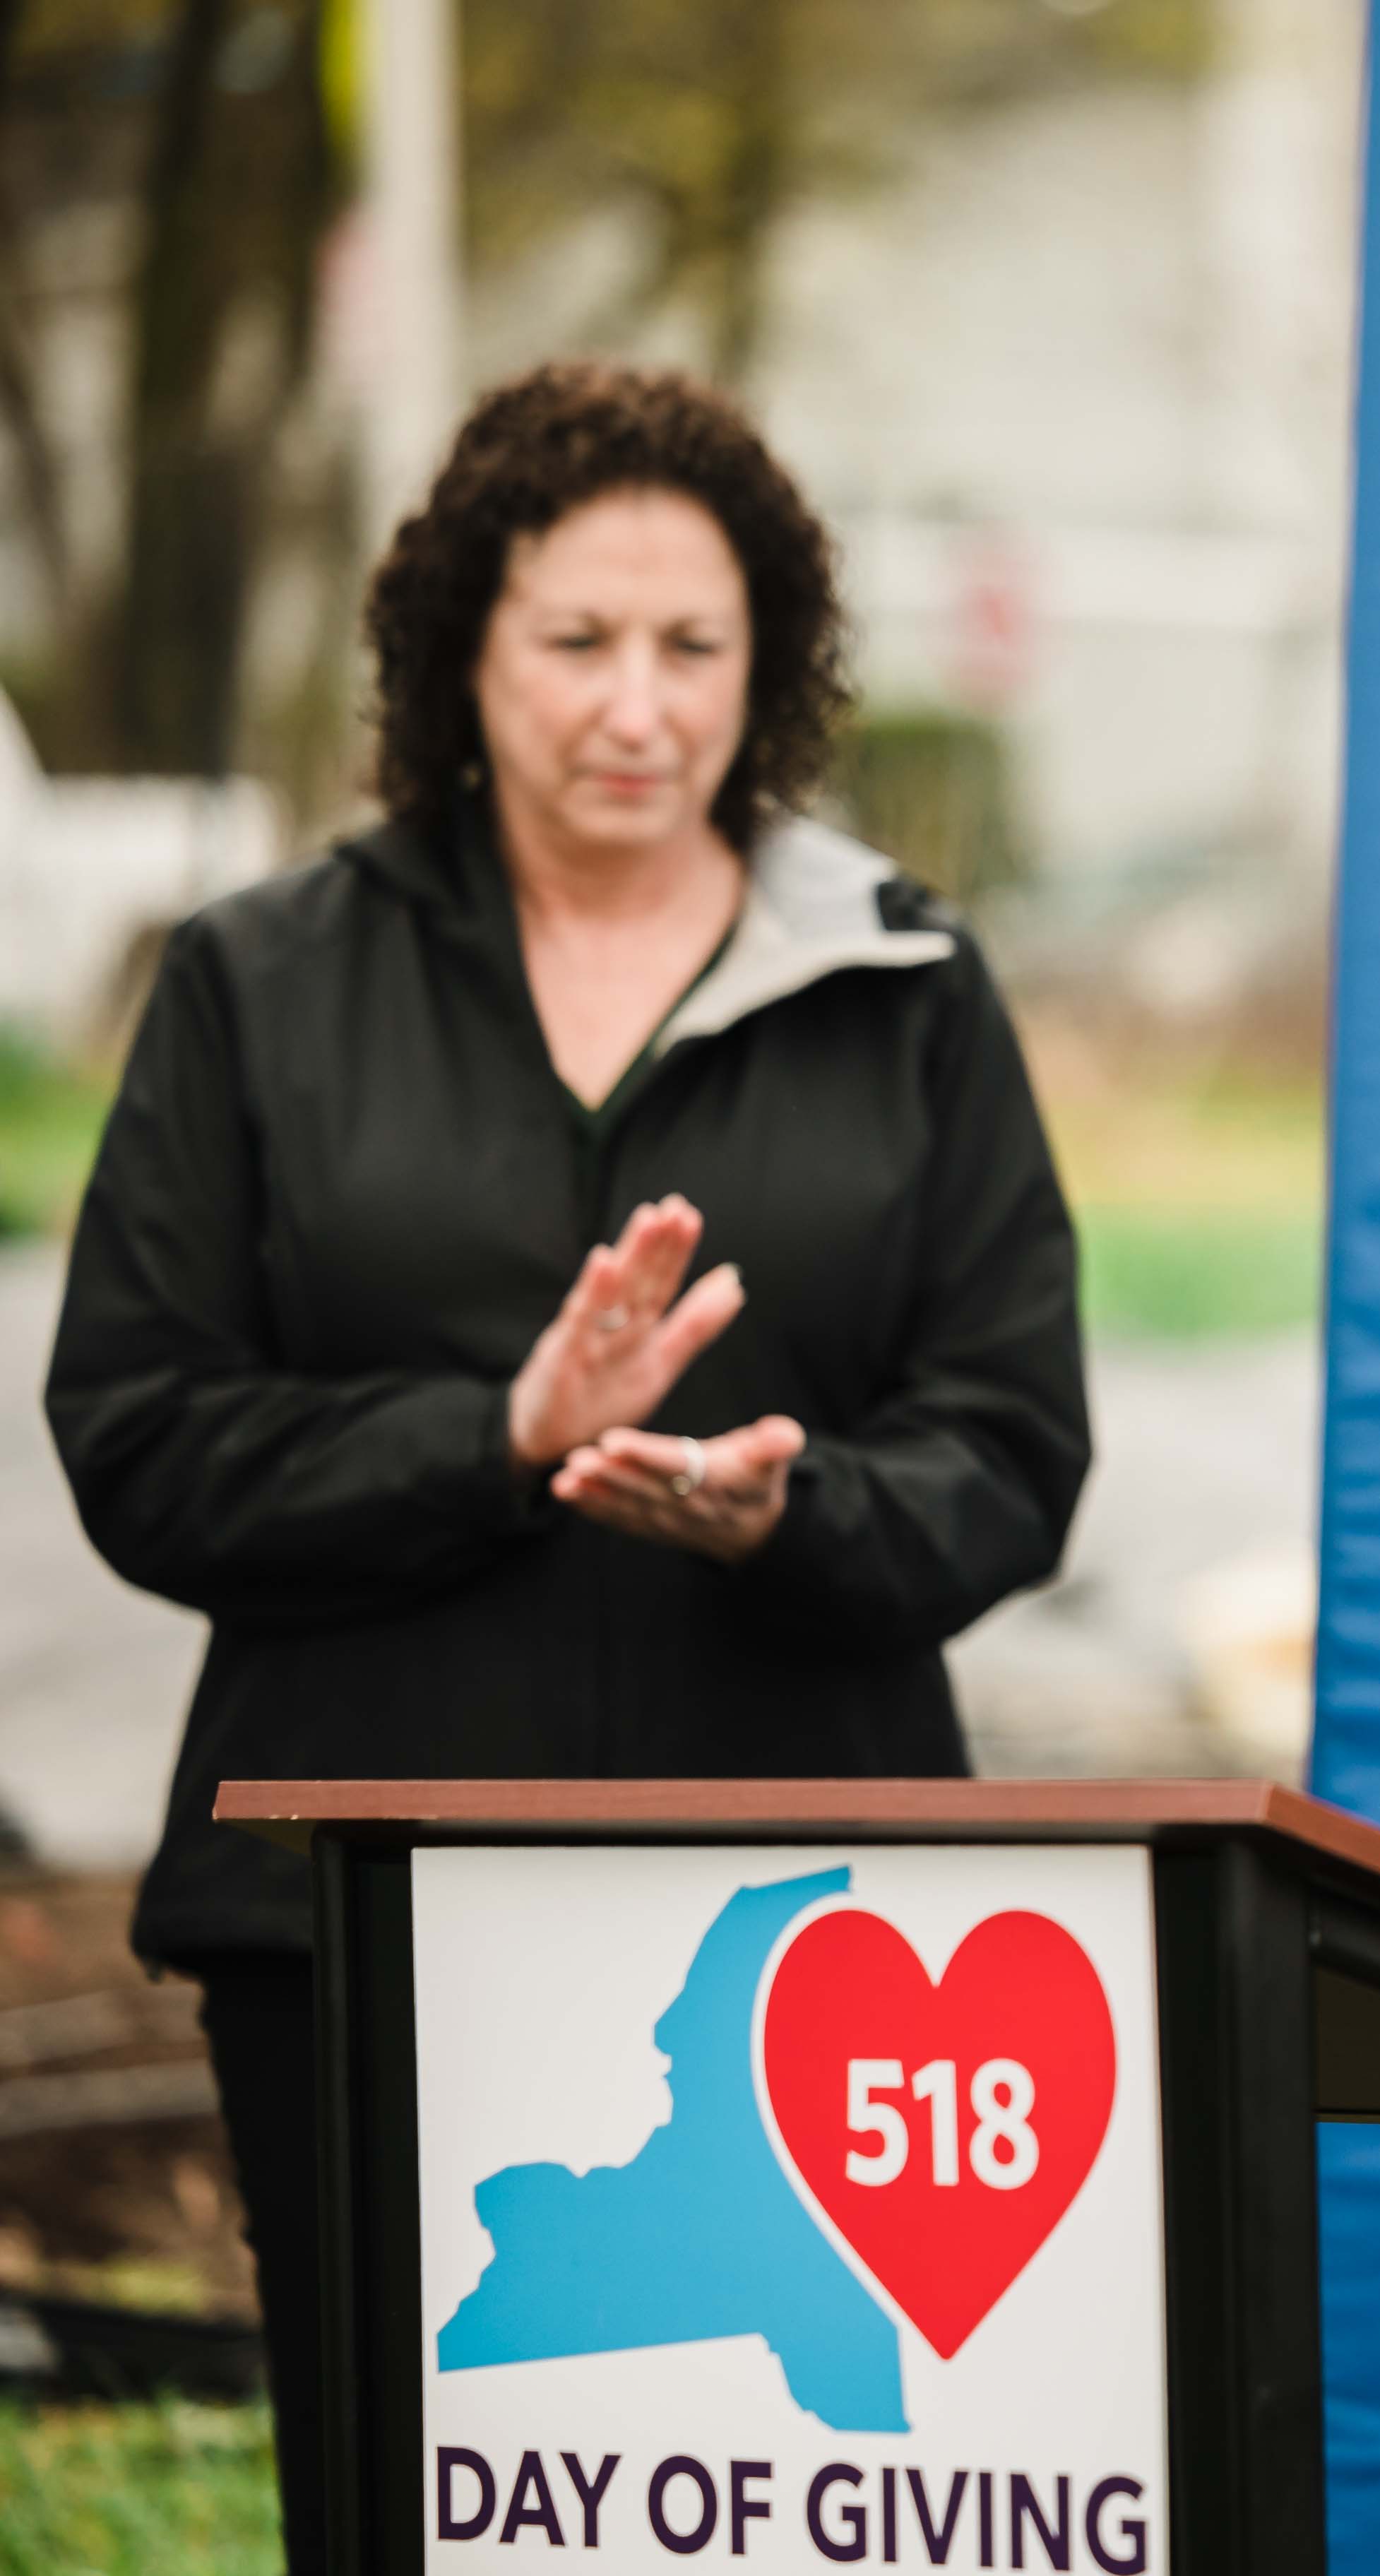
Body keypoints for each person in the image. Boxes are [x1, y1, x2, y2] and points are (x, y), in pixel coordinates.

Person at [44, 361, 1090, 2570]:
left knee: (791, 2525)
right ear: (463, 651)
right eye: (577, 640)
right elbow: (138, 1439)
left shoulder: (907, 987)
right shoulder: (260, 986)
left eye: (694, 646)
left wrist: (795, 1512)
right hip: (350, 1926)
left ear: (769, 667)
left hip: (806, 1954)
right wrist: (498, 1441)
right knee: (404, 2512)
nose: (639, 705)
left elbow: (1015, 1446)